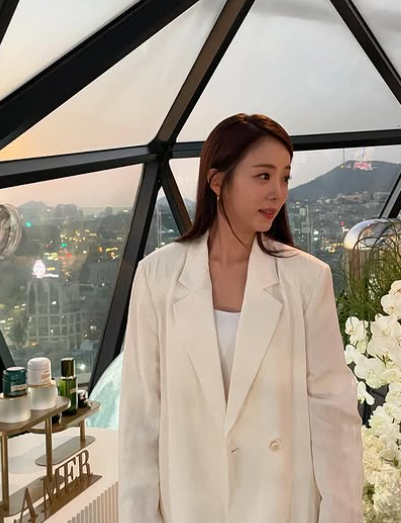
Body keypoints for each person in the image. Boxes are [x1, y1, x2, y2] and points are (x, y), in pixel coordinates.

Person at [118, 114, 364, 523]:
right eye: (263, 176)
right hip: (191, 507)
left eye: (285, 177)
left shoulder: (306, 280)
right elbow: (140, 419)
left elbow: (334, 416)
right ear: (218, 181)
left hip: (281, 505)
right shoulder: (158, 276)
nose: (278, 192)